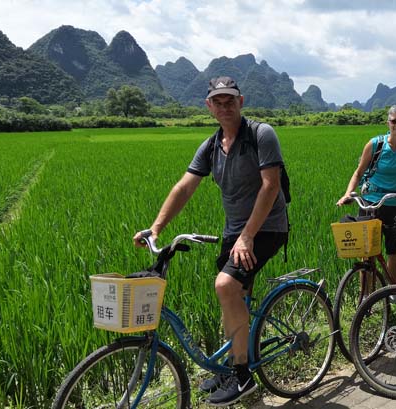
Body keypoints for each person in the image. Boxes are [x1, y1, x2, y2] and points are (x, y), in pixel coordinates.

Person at [133, 76, 288, 406]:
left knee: (225, 286)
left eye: (229, 100)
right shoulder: (211, 146)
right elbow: (184, 187)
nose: (224, 106)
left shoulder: (261, 134)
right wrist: (155, 228)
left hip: (267, 228)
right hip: (236, 233)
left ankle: (243, 376)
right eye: (217, 101)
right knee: (233, 294)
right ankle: (233, 364)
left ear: (241, 101)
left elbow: (270, 186)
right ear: (209, 106)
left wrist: (248, 236)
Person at [336, 104, 396, 282]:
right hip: (370, 204)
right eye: (394, 121)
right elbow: (359, 172)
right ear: (387, 122)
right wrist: (348, 194)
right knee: (367, 255)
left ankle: (392, 294)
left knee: (395, 251)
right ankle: (366, 299)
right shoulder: (375, 144)